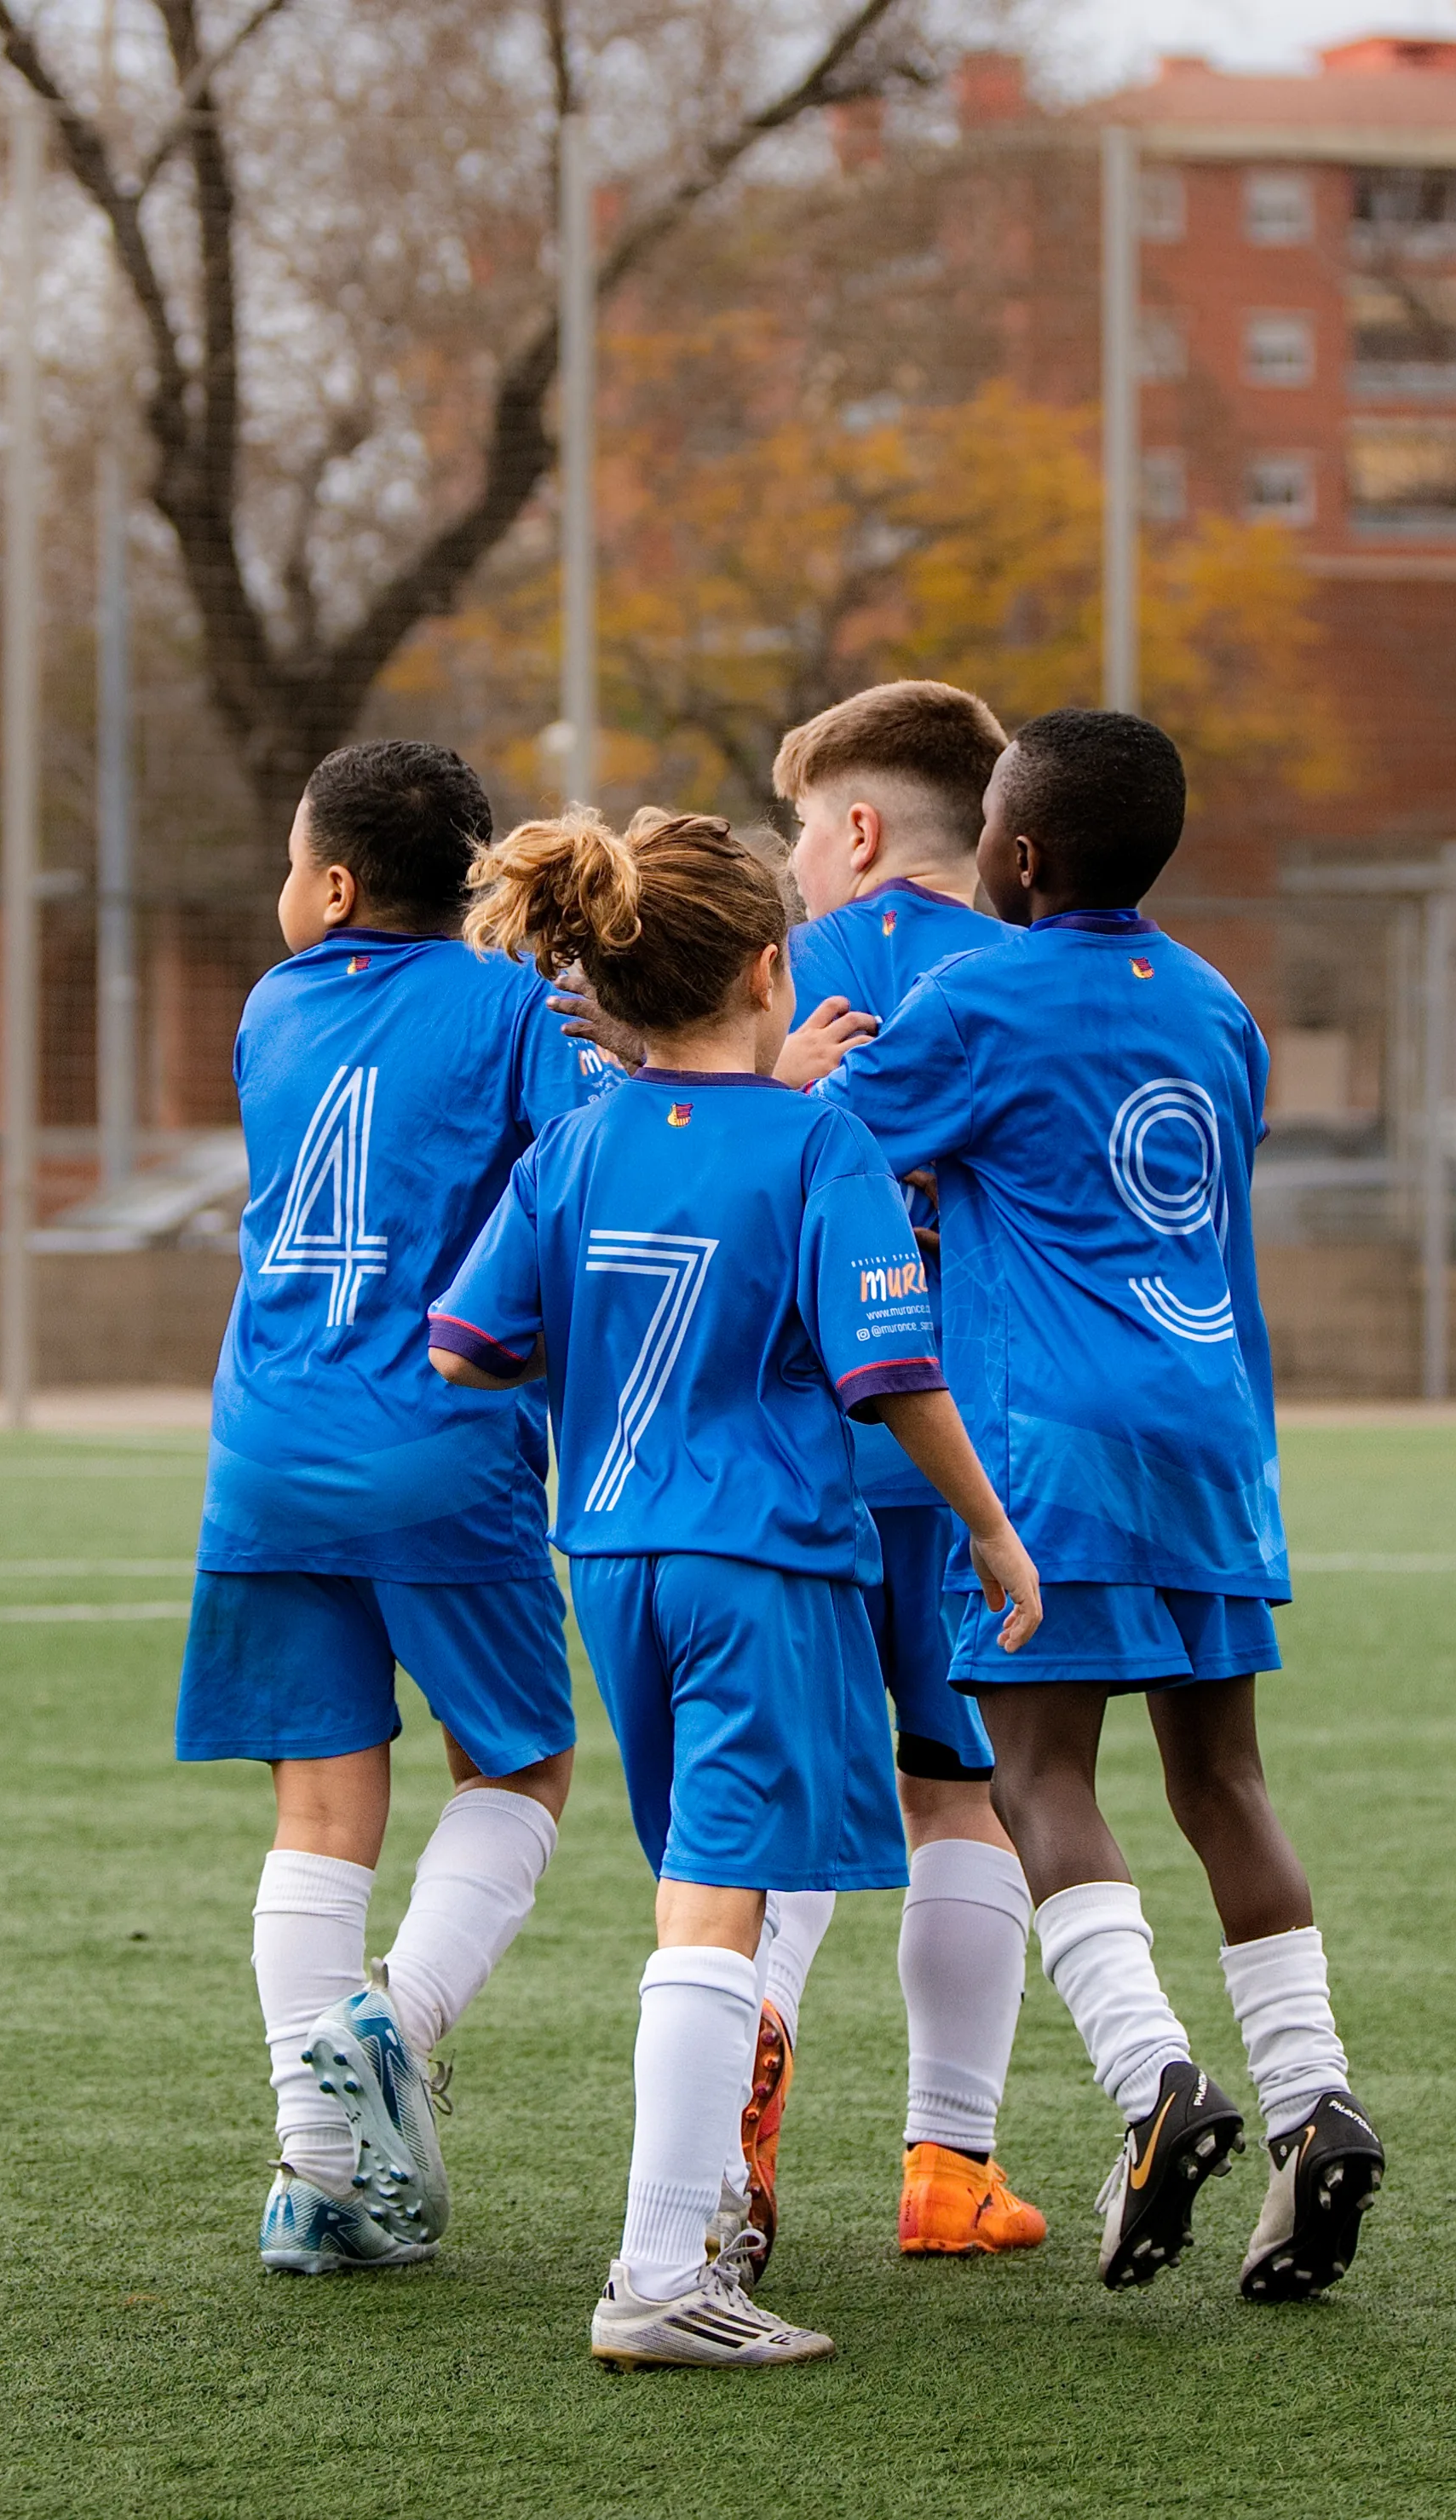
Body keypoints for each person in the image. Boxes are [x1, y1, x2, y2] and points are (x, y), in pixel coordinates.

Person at [429, 806, 1041, 2370]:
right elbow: (893, 1370)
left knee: (707, 1882)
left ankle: (685, 2237)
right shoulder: (820, 1138)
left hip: (613, 1558)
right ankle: (658, 2270)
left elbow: (469, 1344)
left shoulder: (574, 1141)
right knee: (720, 1901)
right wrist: (984, 1528)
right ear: (773, 968)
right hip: (758, 1561)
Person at [814, 708, 1385, 2303]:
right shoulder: (1216, 1009)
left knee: (1037, 1780)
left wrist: (796, 1083)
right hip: (1213, 1436)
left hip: (1048, 1441)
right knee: (1226, 1786)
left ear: (1016, 853)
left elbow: (826, 1156)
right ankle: (1312, 2105)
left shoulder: (974, 995)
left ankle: (1150, 2084)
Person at [174, 739, 613, 2276]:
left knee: (317, 1809)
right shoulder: (516, 1009)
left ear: (337, 885)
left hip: (267, 1448)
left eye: (293, 859)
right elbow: (588, 1171)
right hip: (440, 1439)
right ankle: (397, 2022)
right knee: (523, 1764)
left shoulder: (270, 1008)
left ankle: (316, 2184)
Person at [745, 681, 1045, 2268]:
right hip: (967, 1466)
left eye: (801, 828)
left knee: (774, 1812)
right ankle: (950, 2164)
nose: (792, 860)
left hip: (790, 1456)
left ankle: (749, 2094)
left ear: (856, 831)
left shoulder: (765, 975)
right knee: (961, 1802)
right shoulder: (1037, 974)